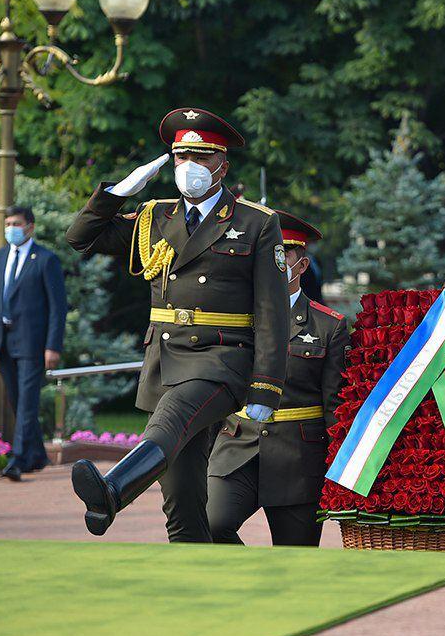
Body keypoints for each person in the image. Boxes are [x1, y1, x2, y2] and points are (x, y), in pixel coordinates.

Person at [65, 108, 290, 541]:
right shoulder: (155, 217)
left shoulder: (256, 223)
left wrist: (266, 386)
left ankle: (113, 491)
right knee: (183, 503)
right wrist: (116, 193)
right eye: (181, 156)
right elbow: (80, 237)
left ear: (222, 164)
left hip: (221, 359)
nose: (190, 166)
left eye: (201, 156)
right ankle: (211, 586)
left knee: (169, 421)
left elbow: (272, 313)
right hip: (165, 360)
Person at [206, 211, 350, 546]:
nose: (273, 261)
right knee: (210, 525)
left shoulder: (328, 327)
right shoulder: (230, 317)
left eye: (282, 253)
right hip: (237, 446)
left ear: (301, 266)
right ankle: (254, 582)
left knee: (295, 560)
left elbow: (336, 407)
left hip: (297, 458)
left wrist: (339, 471)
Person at [0, 206, 67, 481]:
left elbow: (57, 307)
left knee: (27, 401)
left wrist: (53, 346)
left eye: (16, 223)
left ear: (30, 227)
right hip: (1, 341)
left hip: (32, 343)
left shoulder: (45, 260)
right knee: (17, 401)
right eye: (8, 223)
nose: (11, 228)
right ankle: (37, 455)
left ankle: (17, 459)